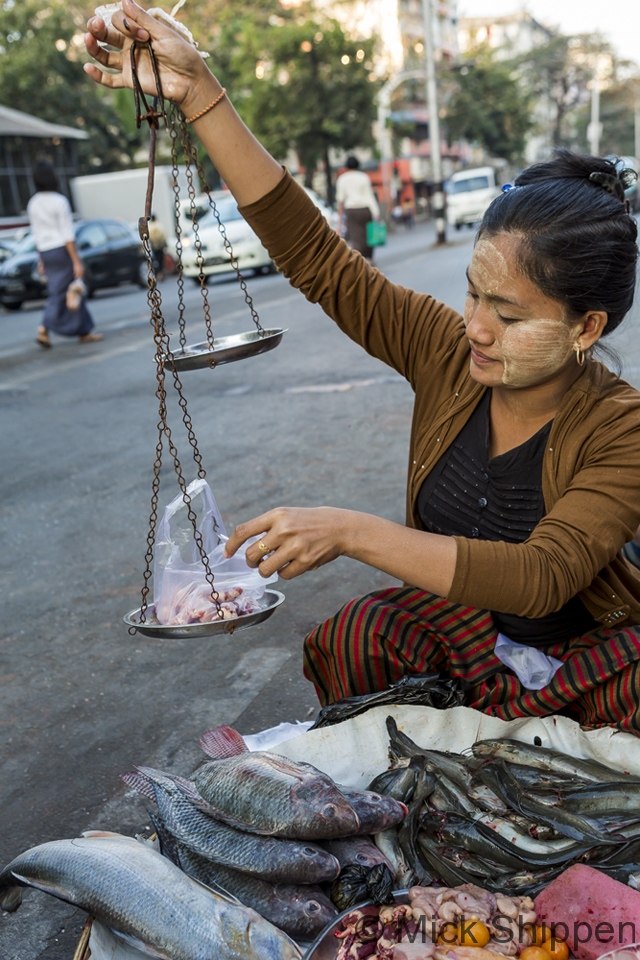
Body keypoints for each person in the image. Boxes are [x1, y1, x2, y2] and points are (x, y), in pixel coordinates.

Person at [85, 2, 640, 734]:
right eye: (472, 294)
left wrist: (350, 530)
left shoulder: (620, 427)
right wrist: (201, 92)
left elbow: (542, 579)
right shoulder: (445, 353)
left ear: (586, 327)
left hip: (578, 659)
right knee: (357, 637)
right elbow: (318, 259)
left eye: (507, 316)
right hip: (467, 641)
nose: (475, 327)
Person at [27, 162, 101, 347]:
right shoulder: (59, 201)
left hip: (46, 252)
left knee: (67, 290)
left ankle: (83, 330)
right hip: (61, 251)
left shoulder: (33, 203)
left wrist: (40, 259)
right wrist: (76, 261)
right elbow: (67, 234)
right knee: (67, 290)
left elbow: (36, 233)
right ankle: (44, 327)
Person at [335, 155, 380, 263]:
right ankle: (370, 257)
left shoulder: (342, 179)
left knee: (356, 236)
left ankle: (360, 260)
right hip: (365, 209)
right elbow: (369, 196)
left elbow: (340, 201)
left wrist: (340, 220)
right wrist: (376, 212)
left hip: (351, 210)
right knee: (368, 234)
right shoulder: (363, 177)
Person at [148, 213, 167, 280]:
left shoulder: (150, 226)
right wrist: (165, 244)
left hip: (154, 246)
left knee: (155, 260)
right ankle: (161, 273)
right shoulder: (159, 225)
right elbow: (163, 235)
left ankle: (157, 273)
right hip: (160, 246)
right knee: (161, 260)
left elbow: (149, 237)